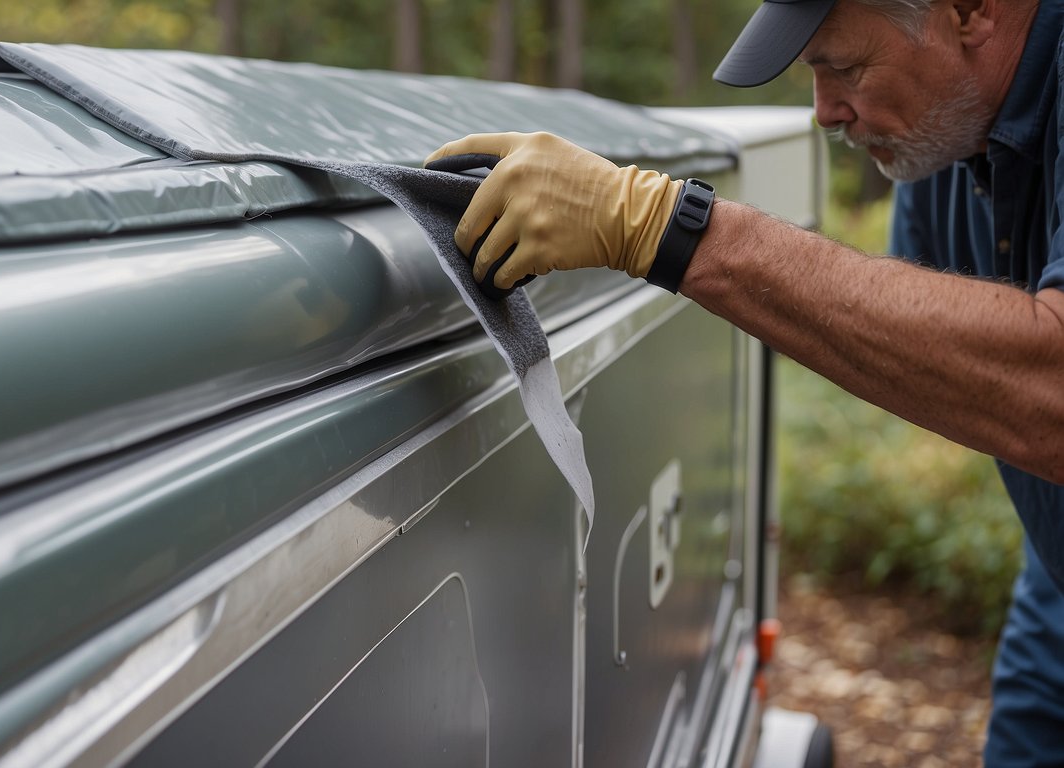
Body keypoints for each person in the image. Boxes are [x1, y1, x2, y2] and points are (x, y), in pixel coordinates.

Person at [424, 0, 1064, 764]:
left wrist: (667, 228)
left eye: (846, 68)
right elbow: (922, 350)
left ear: (970, 11)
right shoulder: (942, 147)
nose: (825, 113)